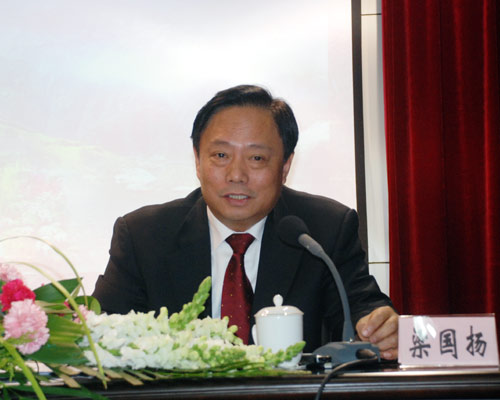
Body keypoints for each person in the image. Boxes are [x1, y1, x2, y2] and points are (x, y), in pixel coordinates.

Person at [92, 85, 399, 359]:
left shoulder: (325, 230)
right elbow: (103, 335)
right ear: (197, 161)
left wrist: (377, 327)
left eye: (256, 158)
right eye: (220, 155)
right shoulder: (143, 236)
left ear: (285, 166)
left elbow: (361, 307)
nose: (236, 175)